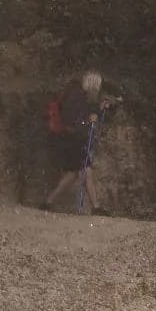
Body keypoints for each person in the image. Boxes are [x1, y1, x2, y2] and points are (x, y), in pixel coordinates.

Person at [45, 71, 113, 213]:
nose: (98, 89)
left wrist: (99, 110)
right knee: (86, 169)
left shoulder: (83, 96)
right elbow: (72, 120)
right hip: (70, 139)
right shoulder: (76, 96)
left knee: (73, 174)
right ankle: (96, 207)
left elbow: (88, 115)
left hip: (72, 139)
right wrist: (88, 120)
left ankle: (48, 202)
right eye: (97, 85)